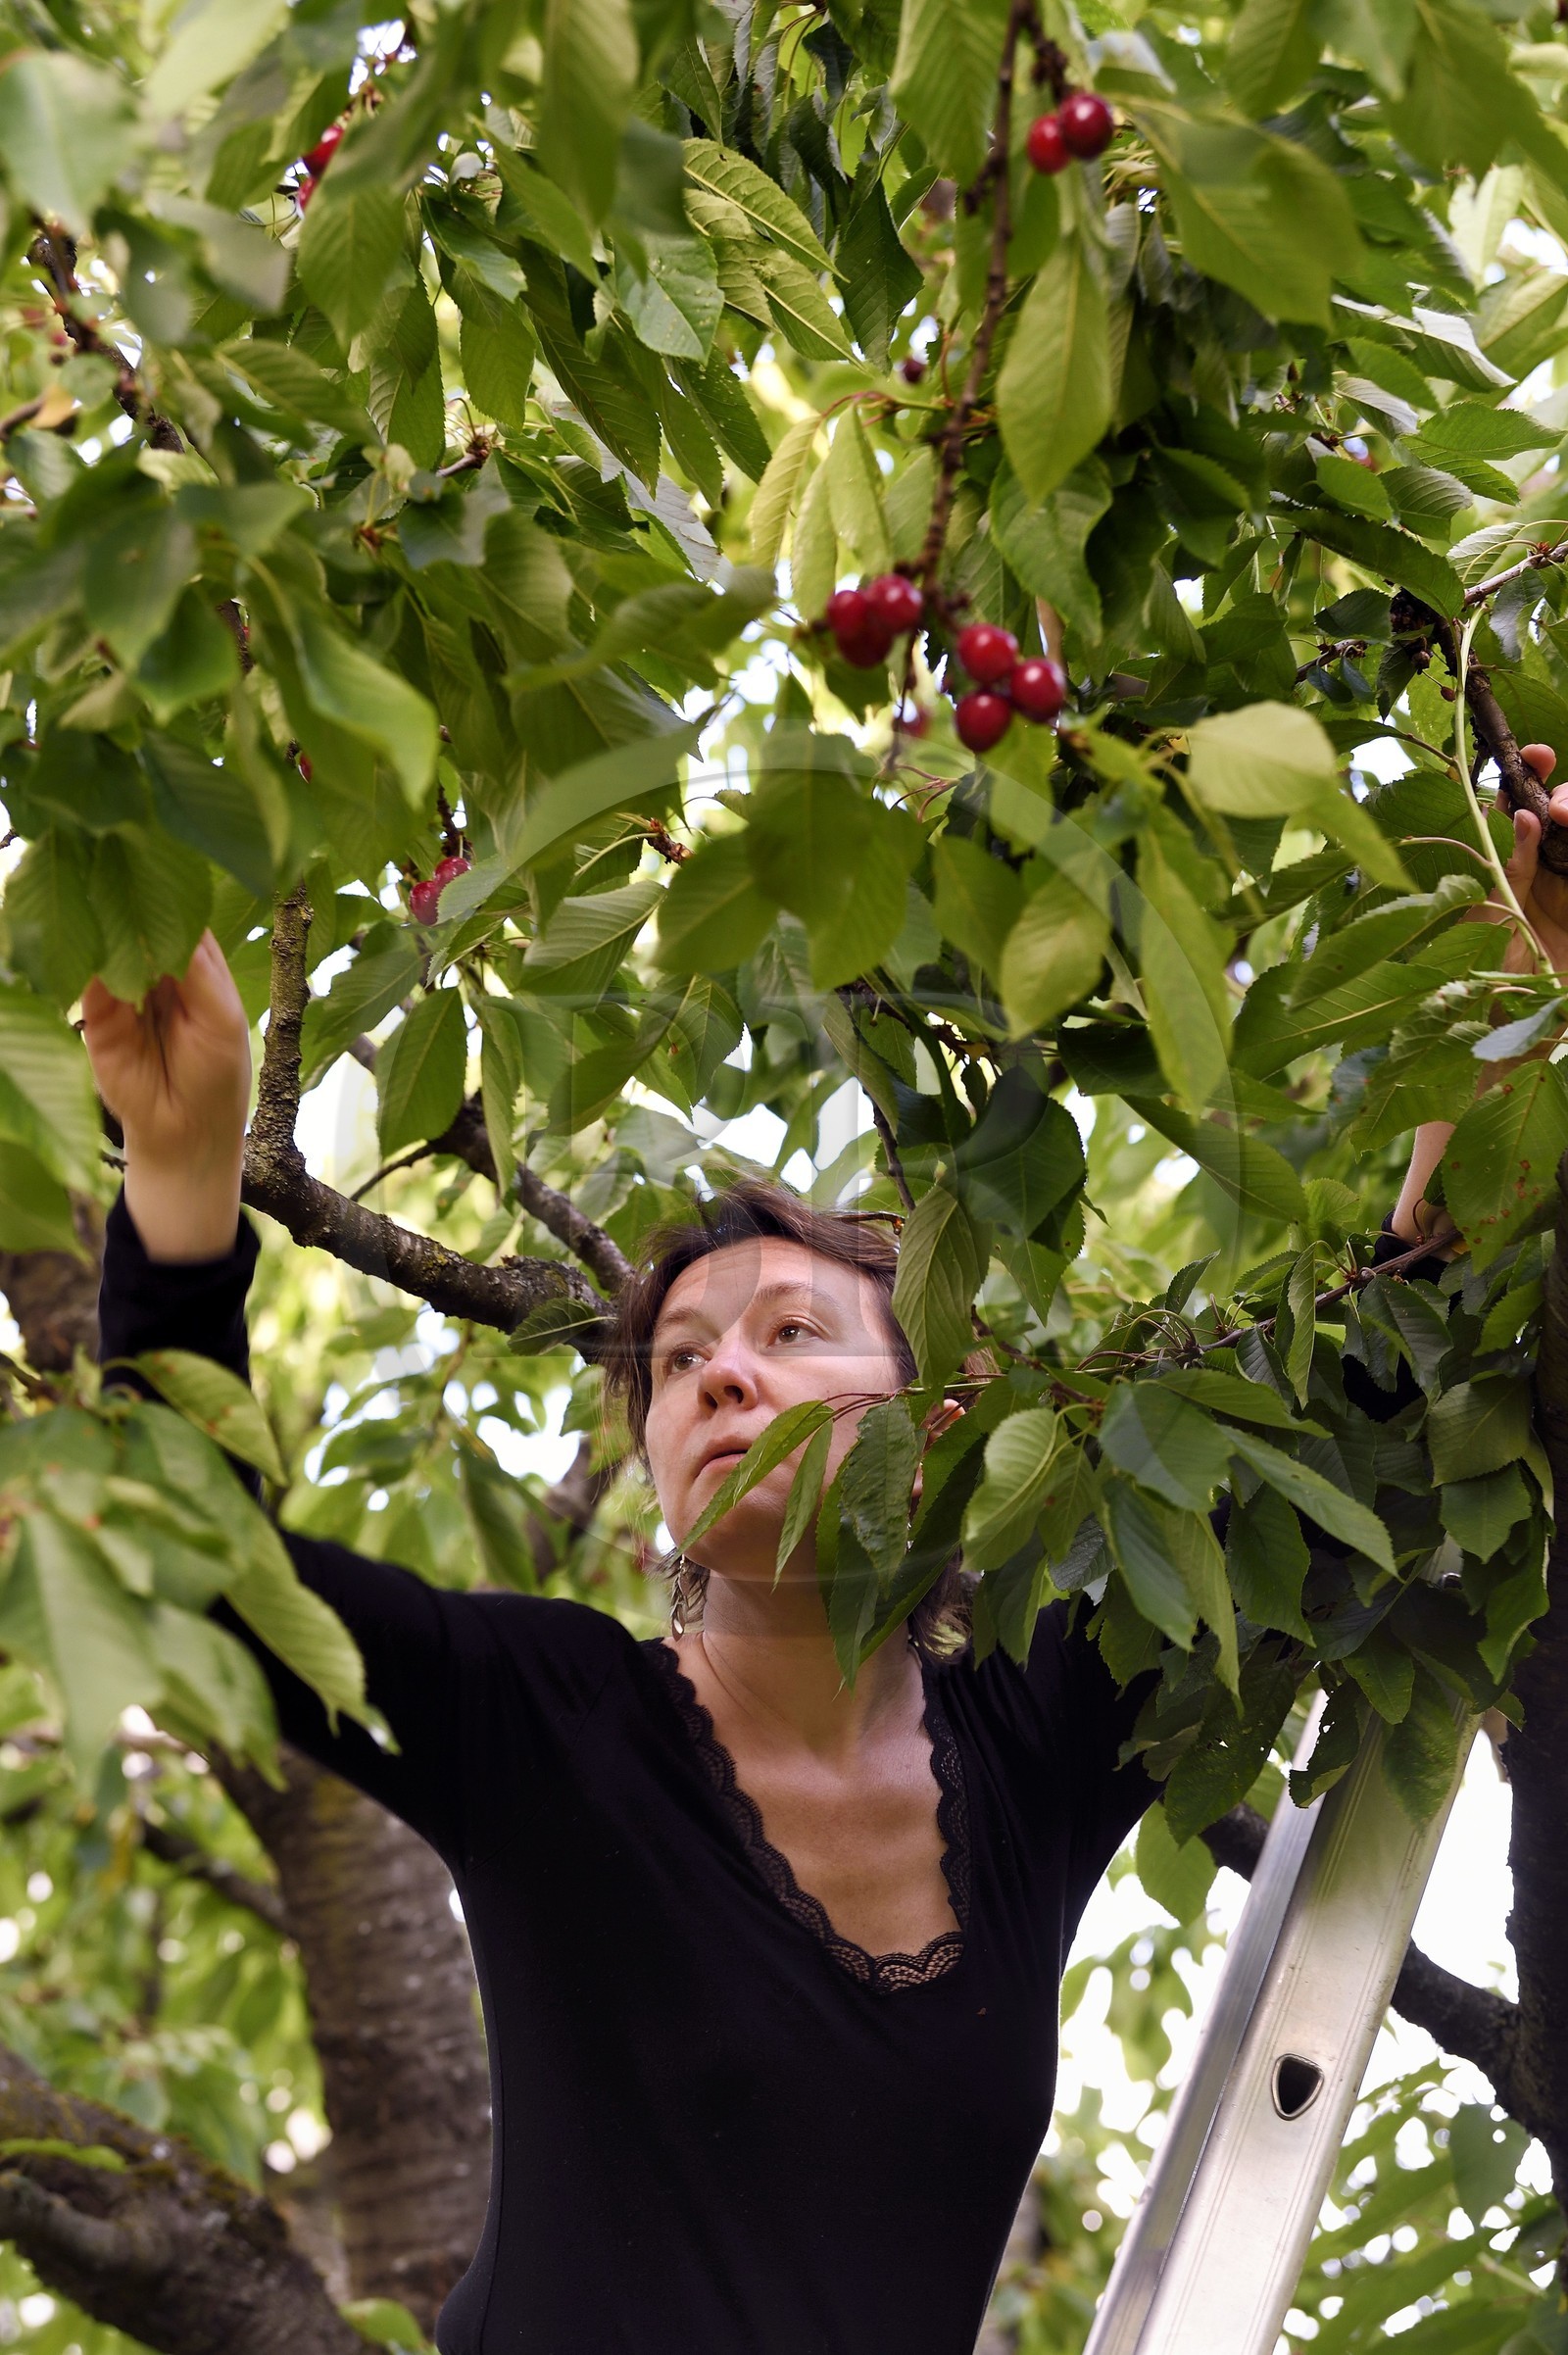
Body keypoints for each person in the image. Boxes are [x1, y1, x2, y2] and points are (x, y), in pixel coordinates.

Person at [82, 745, 1568, 2355]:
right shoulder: (555, 1726)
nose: (721, 1374)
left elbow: (1377, 1417)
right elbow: (196, 1569)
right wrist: (185, 1173)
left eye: (792, 1331)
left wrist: (1512, 1008)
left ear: (944, 1419)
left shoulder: (1034, 1741)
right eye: (678, 1363)